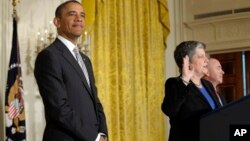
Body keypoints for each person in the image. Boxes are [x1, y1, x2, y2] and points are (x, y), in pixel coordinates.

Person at [34, 1, 108, 141]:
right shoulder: (49, 56)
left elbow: (95, 103)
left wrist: (102, 133)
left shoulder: (85, 60)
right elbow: (59, 108)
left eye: (82, 15)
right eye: (71, 14)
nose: (79, 19)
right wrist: (94, 137)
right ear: (57, 22)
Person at [161, 41, 223, 141]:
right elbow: (170, 110)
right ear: (187, 61)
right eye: (201, 56)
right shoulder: (175, 84)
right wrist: (185, 79)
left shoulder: (208, 85)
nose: (206, 60)